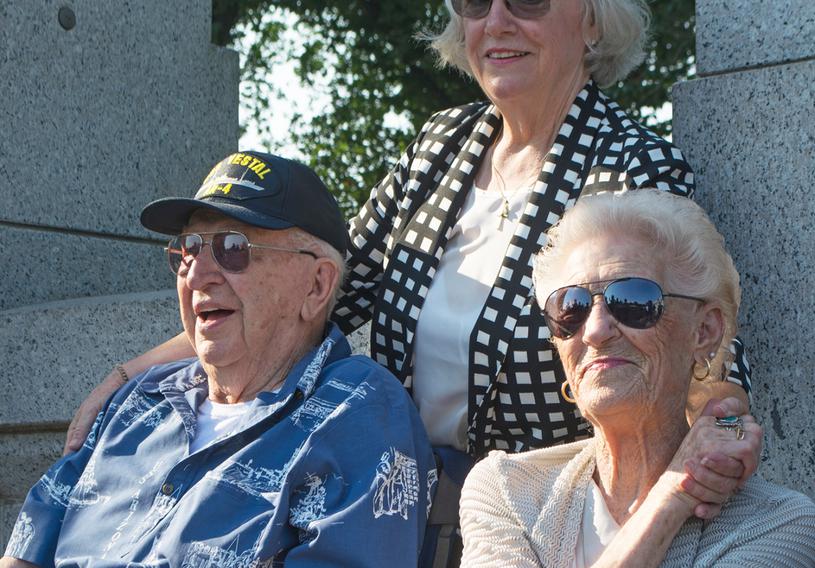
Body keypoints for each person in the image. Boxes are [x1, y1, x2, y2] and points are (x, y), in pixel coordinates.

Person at [68, 0, 752, 465]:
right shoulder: (439, 147)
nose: (498, 21)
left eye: (530, 0)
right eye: (475, 2)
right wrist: (129, 377)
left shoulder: (633, 166)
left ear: (594, 21)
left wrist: (720, 431)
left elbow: (702, 351)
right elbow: (309, 297)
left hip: (553, 516)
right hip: (400, 508)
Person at [1, 152, 436, 567]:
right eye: (189, 248)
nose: (197, 273)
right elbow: (24, 551)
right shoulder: (139, 400)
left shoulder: (357, 410)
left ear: (317, 286)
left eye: (233, 248)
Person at [459, 189, 815, 567]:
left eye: (633, 301)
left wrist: (727, 430)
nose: (595, 331)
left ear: (704, 330)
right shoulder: (506, 490)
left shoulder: (777, 524)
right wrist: (670, 496)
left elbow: (735, 425)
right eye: (571, 308)